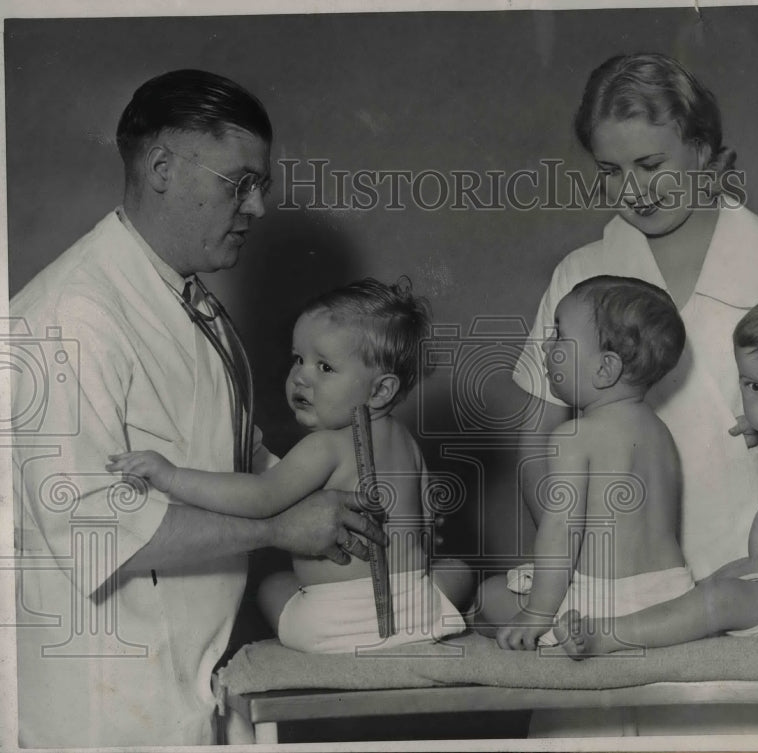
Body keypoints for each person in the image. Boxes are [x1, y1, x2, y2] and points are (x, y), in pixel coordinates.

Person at [10, 70, 385, 747]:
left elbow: (237, 460)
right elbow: (93, 524)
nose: (257, 209)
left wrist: (357, 492)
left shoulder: (191, 302)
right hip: (109, 710)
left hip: (195, 684)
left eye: (260, 186)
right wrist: (281, 528)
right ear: (161, 166)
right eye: (238, 183)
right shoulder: (70, 314)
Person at [511, 53, 758, 585]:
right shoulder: (581, 275)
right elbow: (534, 442)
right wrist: (579, 566)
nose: (631, 190)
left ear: (701, 150)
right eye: (611, 171)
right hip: (627, 571)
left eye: (651, 166)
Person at [108, 279, 470, 653]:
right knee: (459, 570)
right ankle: (440, 622)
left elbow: (260, 496)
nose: (301, 376)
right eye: (299, 359)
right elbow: (429, 517)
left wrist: (172, 476)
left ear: (380, 391)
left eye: (325, 367)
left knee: (271, 585)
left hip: (332, 625)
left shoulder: (325, 445)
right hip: (416, 612)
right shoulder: (407, 442)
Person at [557, 292, 758, 657]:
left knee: (719, 599)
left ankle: (608, 637)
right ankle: (634, 624)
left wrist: (751, 569)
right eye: (753, 385)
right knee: (707, 592)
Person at [478, 276, 693, 649]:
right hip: (670, 595)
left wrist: (538, 613)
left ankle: (571, 633)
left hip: (602, 601)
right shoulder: (661, 433)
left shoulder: (574, 436)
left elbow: (561, 533)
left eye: (559, 335)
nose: (546, 345)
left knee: (490, 595)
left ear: (604, 369)